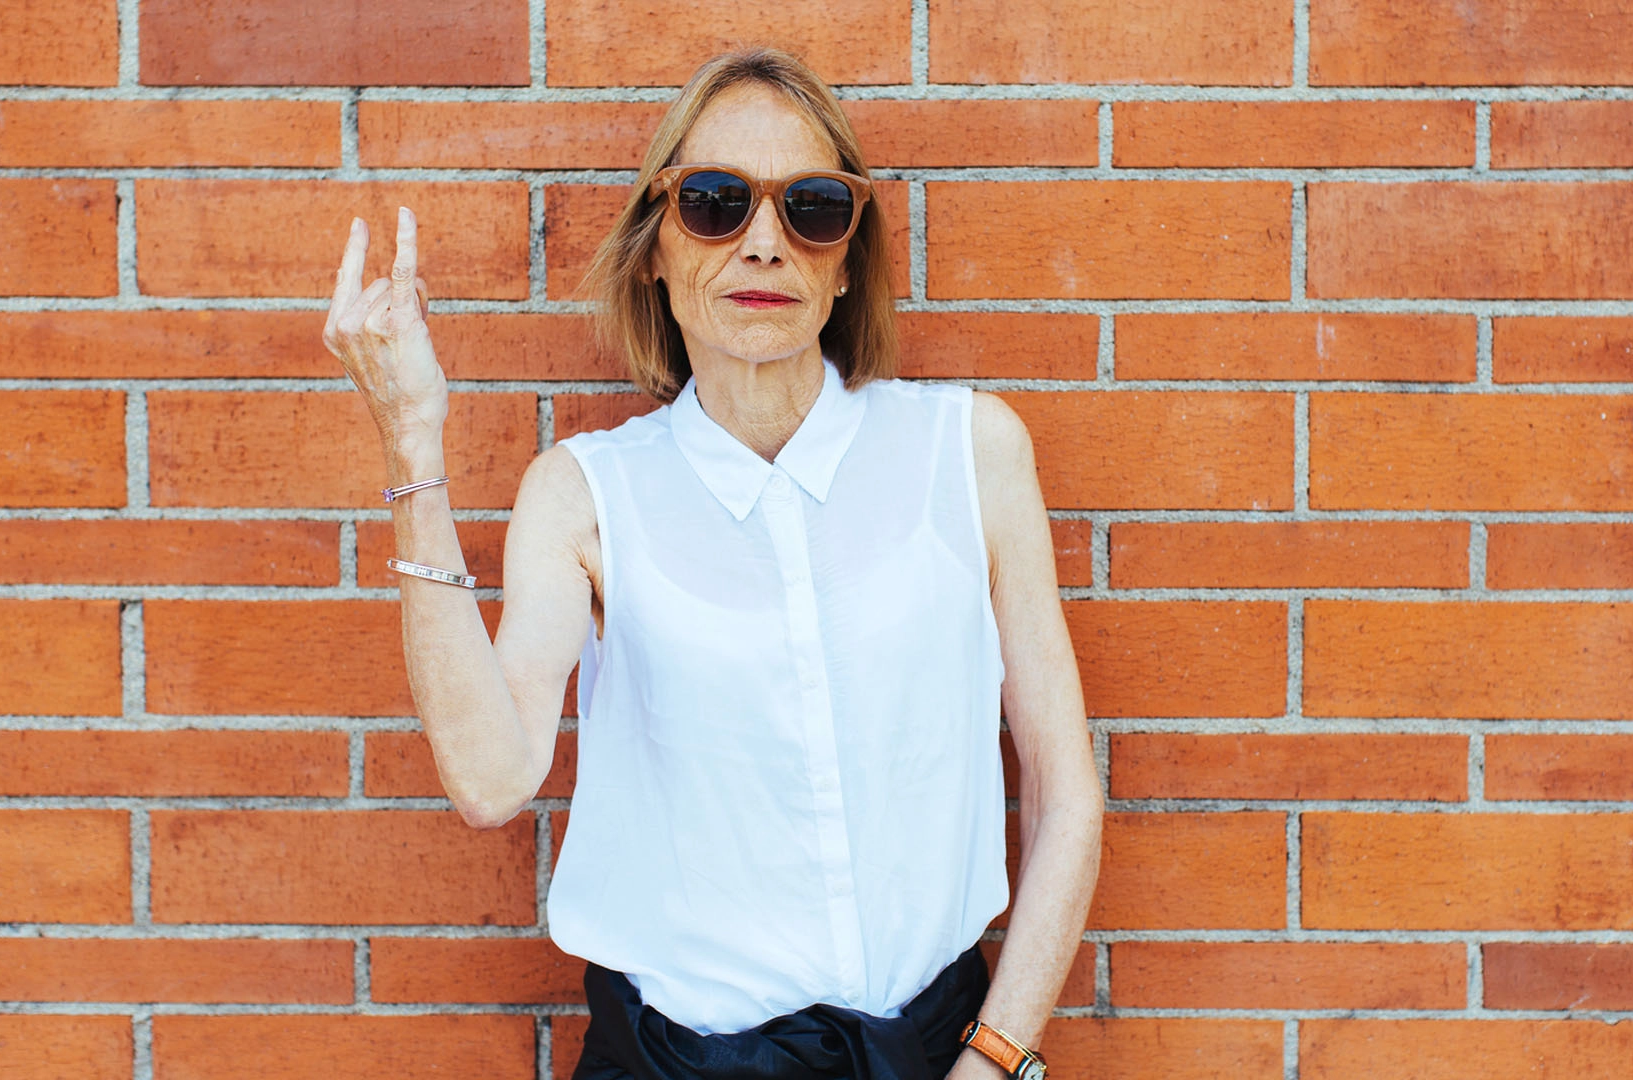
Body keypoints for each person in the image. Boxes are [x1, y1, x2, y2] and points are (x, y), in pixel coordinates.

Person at [321, 47, 1102, 1080]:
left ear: (847, 260)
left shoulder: (968, 454)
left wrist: (995, 1062)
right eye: (716, 204)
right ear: (654, 246)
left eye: (813, 209)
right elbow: (491, 777)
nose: (766, 244)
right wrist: (413, 446)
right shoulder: (586, 494)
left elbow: (1063, 789)